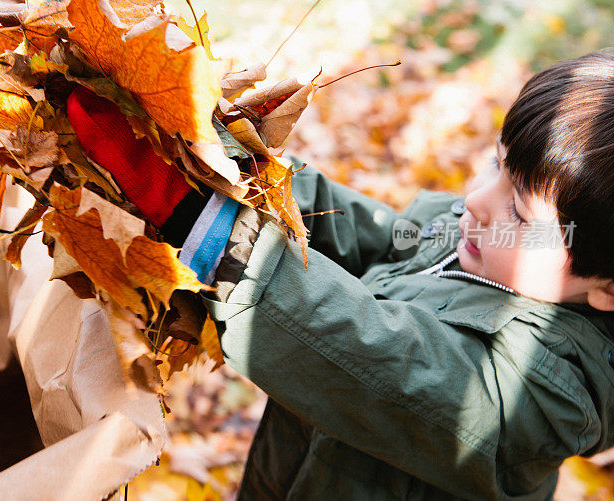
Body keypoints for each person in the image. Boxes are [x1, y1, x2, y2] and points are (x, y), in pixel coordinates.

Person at [66, 51, 614, 499]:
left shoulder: (542, 396)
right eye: (496, 163)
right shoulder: (475, 237)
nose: (475, 201)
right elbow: (356, 233)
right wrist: (242, 167)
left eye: (520, 210)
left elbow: (369, 355)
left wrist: (209, 228)